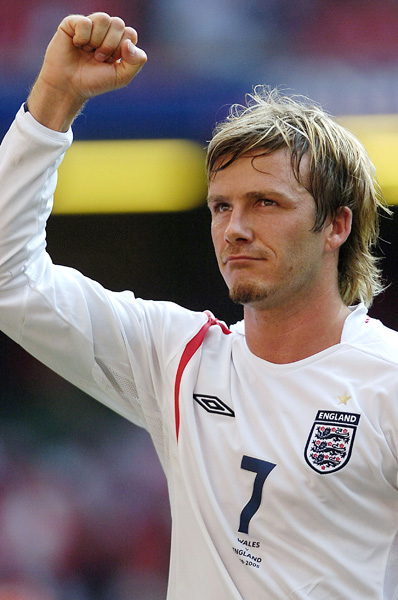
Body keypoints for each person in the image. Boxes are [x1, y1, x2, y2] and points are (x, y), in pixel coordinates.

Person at [0, 11, 397, 600]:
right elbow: (10, 277)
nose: (235, 228)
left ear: (336, 225)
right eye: (220, 207)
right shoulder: (178, 358)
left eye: (266, 202)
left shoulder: (386, 381)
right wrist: (55, 97)